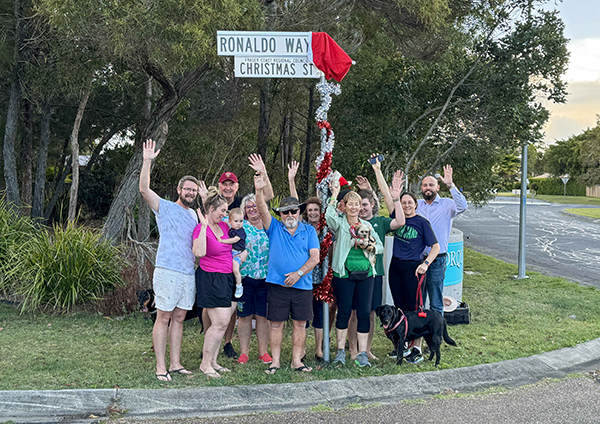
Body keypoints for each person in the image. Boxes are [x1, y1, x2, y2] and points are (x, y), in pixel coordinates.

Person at [198, 154, 274, 360]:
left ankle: (228, 343)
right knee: (218, 307)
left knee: (236, 310)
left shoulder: (243, 205)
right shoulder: (223, 211)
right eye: (225, 184)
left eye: (232, 184)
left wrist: (263, 172)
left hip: (254, 274)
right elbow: (211, 218)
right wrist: (206, 199)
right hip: (228, 267)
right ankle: (210, 340)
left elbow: (266, 198)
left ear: (237, 187)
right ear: (220, 186)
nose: (228, 188)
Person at [139, 139, 198, 381]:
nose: (191, 193)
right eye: (187, 189)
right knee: (163, 317)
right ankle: (161, 367)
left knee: (180, 318)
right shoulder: (164, 207)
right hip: (167, 270)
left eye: (194, 191)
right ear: (179, 190)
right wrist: (146, 161)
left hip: (188, 272)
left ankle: (175, 364)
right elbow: (144, 189)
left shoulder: (195, 214)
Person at [327, 180, 403, 367]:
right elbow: (328, 217)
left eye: (356, 204)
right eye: (350, 204)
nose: (353, 208)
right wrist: (334, 195)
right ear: (344, 207)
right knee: (344, 312)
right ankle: (340, 352)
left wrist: (366, 245)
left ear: (361, 206)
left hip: (366, 275)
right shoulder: (340, 224)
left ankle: (362, 352)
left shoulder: (367, 226)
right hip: (344, 274)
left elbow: (379, 248)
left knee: (363, 312)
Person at [254, 172, 320, 374]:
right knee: (276, 324)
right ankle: (275, 361)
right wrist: (258, 189)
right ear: (280, 215)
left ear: (299, 212)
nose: (289, 215)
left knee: (300, 324)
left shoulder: (309, 231)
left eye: (293, 211)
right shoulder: (273, 227)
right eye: (285, 212)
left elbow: (315, 258)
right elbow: (261, 209)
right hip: (277, 285)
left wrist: (298, 274)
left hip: (302, 286)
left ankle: (296, 361)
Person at [389, 191, 440, 364]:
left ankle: (416, 349)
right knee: (400, 308)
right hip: (396, 267)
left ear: (416, 204)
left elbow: (436, 247)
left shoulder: (422, 223)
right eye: (403, 202)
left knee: (416, 309)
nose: (407, 205)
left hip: (414, 269)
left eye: (410, 202)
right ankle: (401, 345)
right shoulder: (396, 218)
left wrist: (425, 264)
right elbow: (388, 198)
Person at [193, 187, 237, 378]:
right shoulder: (200, 228)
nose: (224, 214)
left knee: (224, 322)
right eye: (222, 211)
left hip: (227, 277)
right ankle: (205, 364)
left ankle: (213, 361)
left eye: (226, 211)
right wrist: (203, 226)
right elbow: (199, 253)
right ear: (211, 209)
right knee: (219, 322)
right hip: (210, 277)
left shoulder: (226, 227)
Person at [418, 165, 468, 315]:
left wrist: (451, 185)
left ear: (437, 187)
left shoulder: (447, 204)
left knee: (436, 301)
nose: (428, 188)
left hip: (437, 260)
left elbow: (463, 206)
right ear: (421, 188)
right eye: (425, 185)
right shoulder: (417, 205)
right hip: (418, 258)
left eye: (431, 185)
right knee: (418, 299)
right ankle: (418, 334)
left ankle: (435, 334)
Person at [236, 194, 272, 365]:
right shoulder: (241, 227)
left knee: (262, 316)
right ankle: (244, 353)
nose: (251, 209)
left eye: (254, 206)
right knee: (244, 316)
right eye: (247, 207)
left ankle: (263, 352)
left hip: (266, 278)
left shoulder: (269, 227)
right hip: (246, 278)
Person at [218, 207, 248, 298]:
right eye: (236, 221)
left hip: (237, 253)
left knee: (235, 270)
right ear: (230, 221)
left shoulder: (241, 231)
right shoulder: (231, 230)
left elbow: (235, 240)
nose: (239, 223)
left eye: (241, 221)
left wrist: (222, 241)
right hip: (231, 253)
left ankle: (239, 286)